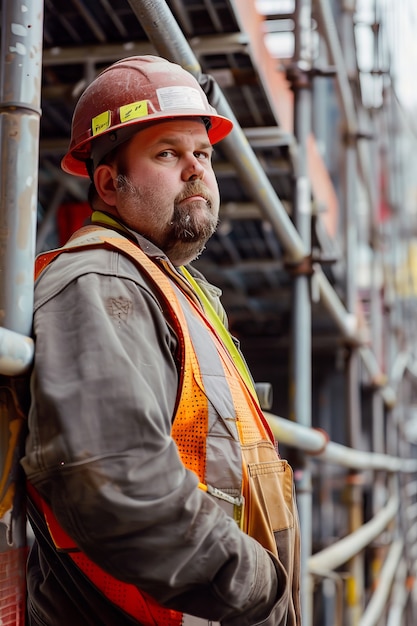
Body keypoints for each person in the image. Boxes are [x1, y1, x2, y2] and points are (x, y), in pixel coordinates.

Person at [22, 55, 301, 626]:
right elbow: (113, 478)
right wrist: (257, 587)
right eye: (167, 153)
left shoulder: (177, 288)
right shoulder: (100, 281)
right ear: (108, 183)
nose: (195, 170)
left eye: (202, 153)